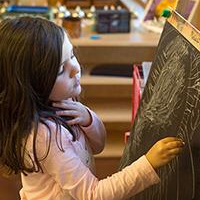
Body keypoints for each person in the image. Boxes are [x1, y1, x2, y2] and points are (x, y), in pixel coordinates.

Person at [0, 16, 184, 200]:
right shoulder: (44, 137)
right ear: (32, 85)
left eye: (71, 55)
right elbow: (93, 194)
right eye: (60, 70)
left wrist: (88, 119)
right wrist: (148, 164)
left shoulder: (62, 103)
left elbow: (97, 146)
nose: (76, 69)